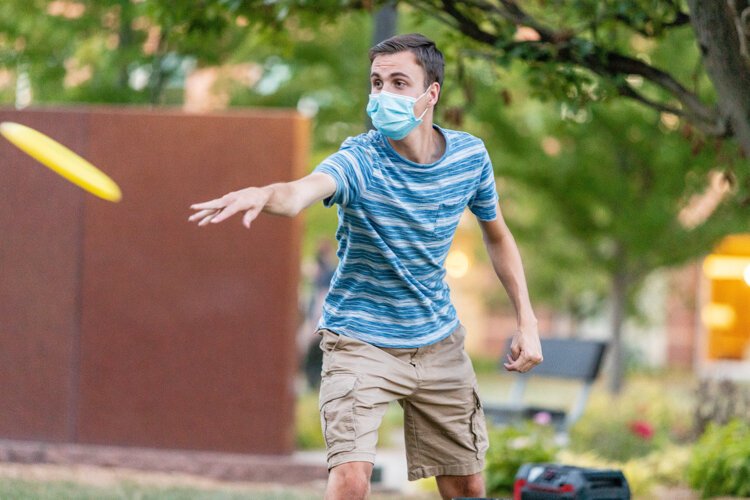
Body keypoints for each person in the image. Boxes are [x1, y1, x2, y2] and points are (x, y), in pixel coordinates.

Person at [189, 33, 542, 500]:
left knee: (467, 486)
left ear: (430, 94)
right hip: (360, 341)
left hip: (437, 341)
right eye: (376, 83)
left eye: (399, 83)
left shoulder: (469, 157)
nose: (383, 96)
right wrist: (263, 194)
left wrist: (526, 319)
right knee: (351, 479)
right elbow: (302, 190)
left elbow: (497, 235)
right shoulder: (361, 159)